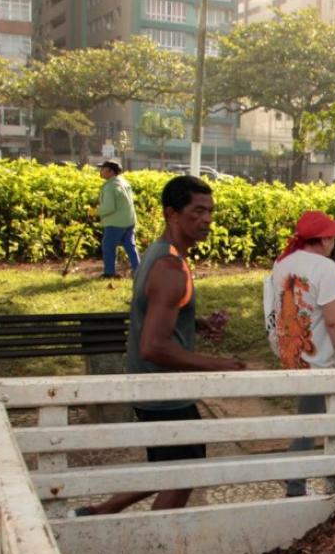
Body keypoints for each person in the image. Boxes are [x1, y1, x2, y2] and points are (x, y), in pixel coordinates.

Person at [75, 175, 244, 516]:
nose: (207, 219)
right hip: (164, 391)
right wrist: (220, 365)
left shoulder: (158, 254)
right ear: (172, 213)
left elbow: (155, 315)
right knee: (184, 472)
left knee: (170, 465)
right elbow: (153, 346)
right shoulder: (170, 267)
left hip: (152, 387)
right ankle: (156, 540)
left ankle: (101, 511)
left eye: (210, 211)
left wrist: (196, 324)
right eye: (198, 211)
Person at [263, 210, 335, 497]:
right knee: (321, 422)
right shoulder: (325, 268)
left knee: (316, 418)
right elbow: (334, 321)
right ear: (324, 239)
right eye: (333, 237)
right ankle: (299, 485)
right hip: (320, 360)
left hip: (294, 355)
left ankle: (309, 482)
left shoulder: (284, 262)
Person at [96, 160, 139, 278]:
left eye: (103, 169)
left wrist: (96, 211)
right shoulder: (124, 182)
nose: (100, 171)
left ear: (110, 171)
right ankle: (139, 270)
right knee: (130, 246)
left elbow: (109, 207)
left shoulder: (110, 186)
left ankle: (109, 273)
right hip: (129, 220)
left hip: (115, 222)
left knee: (108, 247)